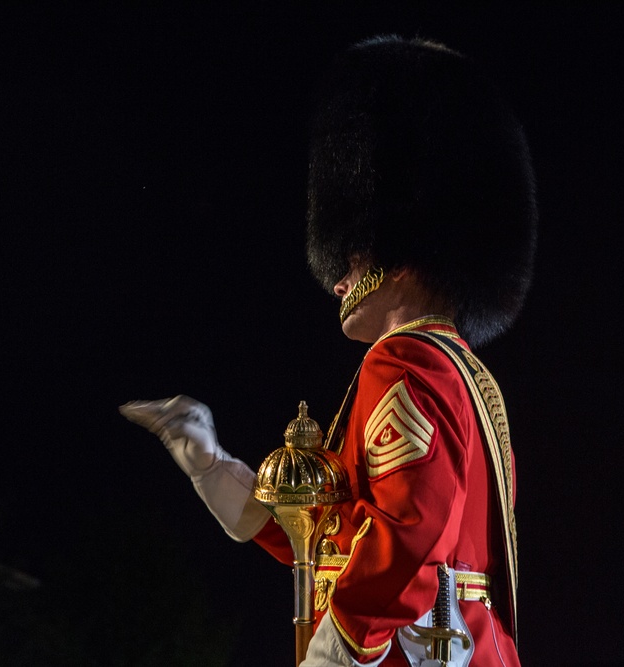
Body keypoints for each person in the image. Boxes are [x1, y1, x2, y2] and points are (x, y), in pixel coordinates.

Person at [121, 35, 536, 667]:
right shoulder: (455, 369)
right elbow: (329, 535)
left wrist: (335, 651)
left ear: (402, 246)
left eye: (355, 249)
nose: (337, 276)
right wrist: (212, 466)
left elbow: (408, 530)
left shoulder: (405, 362)